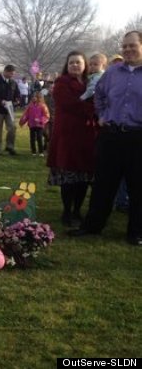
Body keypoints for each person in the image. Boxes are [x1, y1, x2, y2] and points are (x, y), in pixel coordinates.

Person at [70, 31, 142, 245]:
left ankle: (136, 232)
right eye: (125, 46)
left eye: (133, 45)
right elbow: (99, 94)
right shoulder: (112, 73)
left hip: (138, 138)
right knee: (103, 184)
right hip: (110, 135)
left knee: (138, 186)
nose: (128, 49)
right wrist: (101, 115)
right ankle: (93, 226)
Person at [47, 51, 97, 228]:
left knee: (83, 177)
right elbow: (70, 104)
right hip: (67, 137)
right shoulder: (61, 83)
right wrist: (92, 107)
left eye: (78, 62)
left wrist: (93, 106)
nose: (75, 65)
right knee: (68, 178)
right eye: (71, 63)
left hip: (87, 137)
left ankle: (77, 210)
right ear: (66, 66)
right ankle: (67, 211)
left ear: (85, 65)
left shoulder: (92, 82)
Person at [18, 91, 50, 156]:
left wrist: (40, 120)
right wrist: (22, 121)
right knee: (32, 138)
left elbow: (46, 116)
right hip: (32, 125)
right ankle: (33, 151)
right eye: (33, 97)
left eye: (35, 97)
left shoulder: (43, 106)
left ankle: (41, 151)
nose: (33, 98)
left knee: (39, 137)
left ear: (39, 97)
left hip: (40, 125)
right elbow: (26, 115)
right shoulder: (30, 106)